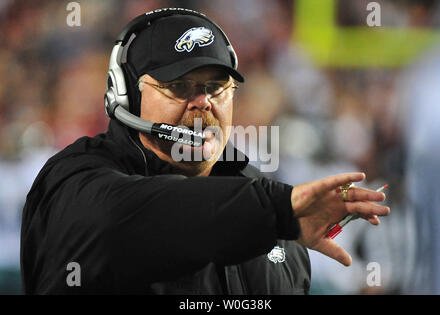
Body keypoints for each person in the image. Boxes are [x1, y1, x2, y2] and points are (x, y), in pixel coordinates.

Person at [20, 8, 389, 294]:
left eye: (217, 86)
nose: (203, 102)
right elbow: (125, 218)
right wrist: (273, 211)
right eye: (179, 87)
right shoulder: (72, 180)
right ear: (125, 95)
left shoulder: (270, 202)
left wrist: (274, 214)